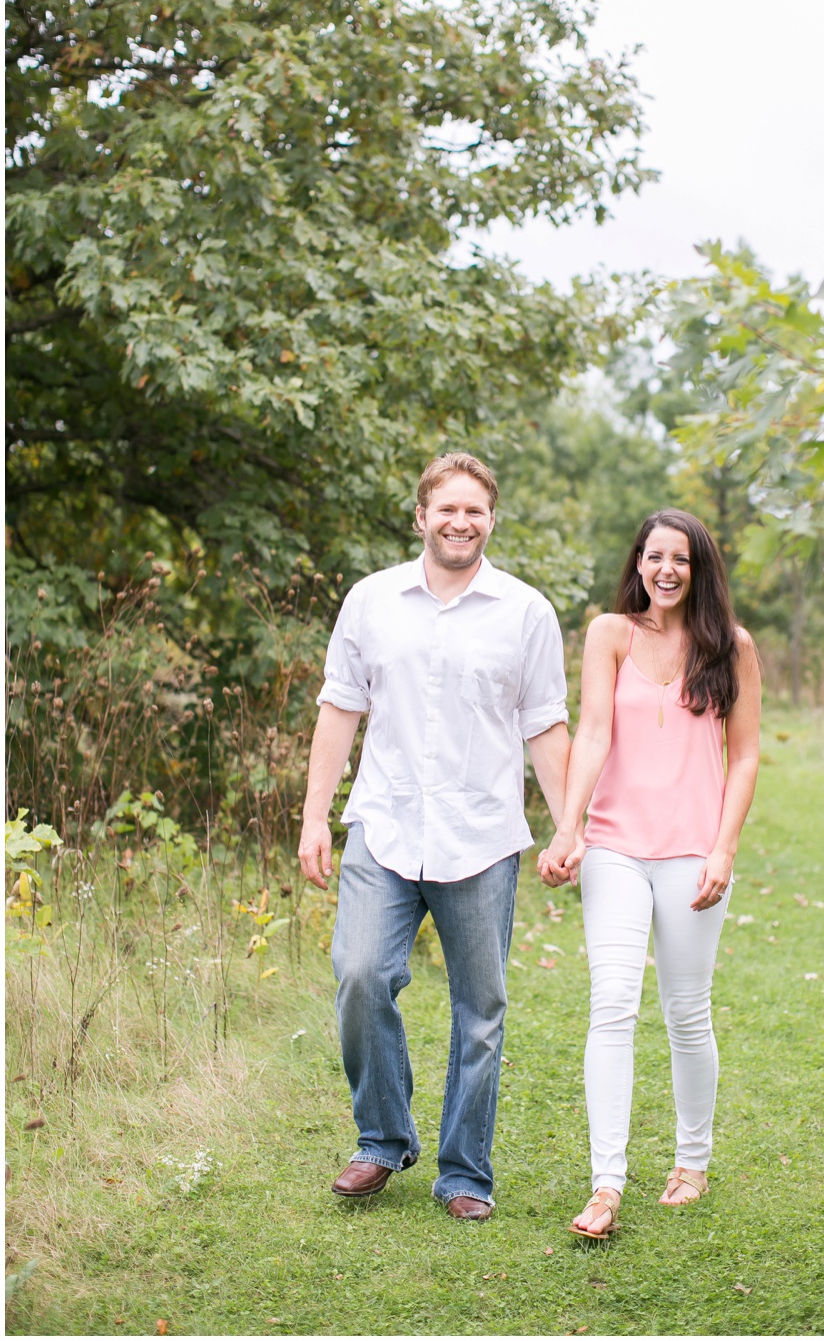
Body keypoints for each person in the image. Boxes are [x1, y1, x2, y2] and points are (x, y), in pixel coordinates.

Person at [298, 452, 570, 1219]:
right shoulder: (372, 600)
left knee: (479, 1011)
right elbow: (339, 707)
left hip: (481, 837)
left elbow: (545, 724)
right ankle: (382, 1139)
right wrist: (316, 815)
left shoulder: (526, 612)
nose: (460, 521)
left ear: (491, 519)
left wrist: (568, 827)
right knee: (359, 973)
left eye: (475, 510)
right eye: (446, 508)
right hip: (384, 828)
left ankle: (463, 1173)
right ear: (421, 515)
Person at [537, 509, 762, 1240]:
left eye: (681, 559)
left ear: (699, 569)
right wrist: (569, 825)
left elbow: (746, 755)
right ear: (638, 562)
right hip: (615, 848)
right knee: (612, 1002)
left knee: (687, 1011)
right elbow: (594, 732)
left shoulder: (731, 646)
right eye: (654, 556)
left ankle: (692, 1162)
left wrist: (724, 849)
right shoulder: (610, 634)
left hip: (693, 853)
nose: (666, 569)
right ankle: (606, 1183)